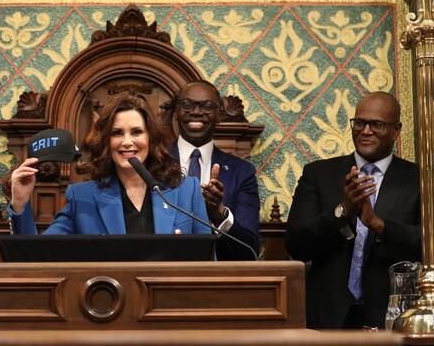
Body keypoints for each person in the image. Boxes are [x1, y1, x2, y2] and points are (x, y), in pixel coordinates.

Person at [285, 92, 421, 329]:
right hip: (326, 316)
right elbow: (297, 244)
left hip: (392, 315)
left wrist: (378, 225)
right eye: (360, 123)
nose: (365, 131)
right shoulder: (318, 174)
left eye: (376, 125)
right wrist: (343, 210)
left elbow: (426, 242)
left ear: (396, 130)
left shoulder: (419, 180)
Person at [10, 95, 211, 236]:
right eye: (117, 133)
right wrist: (20, 203)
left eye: (136, 132)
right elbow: (39, 255)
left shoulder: (186, 191)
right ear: (107, 141)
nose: (126, 142)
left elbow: (206, 263)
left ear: (151, 138)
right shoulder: (83, 198)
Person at [169, 80, 260, 260]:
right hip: (161, 271)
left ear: (219, 114)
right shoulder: (154, 162)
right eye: (187, 105)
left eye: (207, 106)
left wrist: (219, 214)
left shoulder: (241, 172)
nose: (196, 112)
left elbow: (249, 250)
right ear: (176, 112)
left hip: (218, 275)